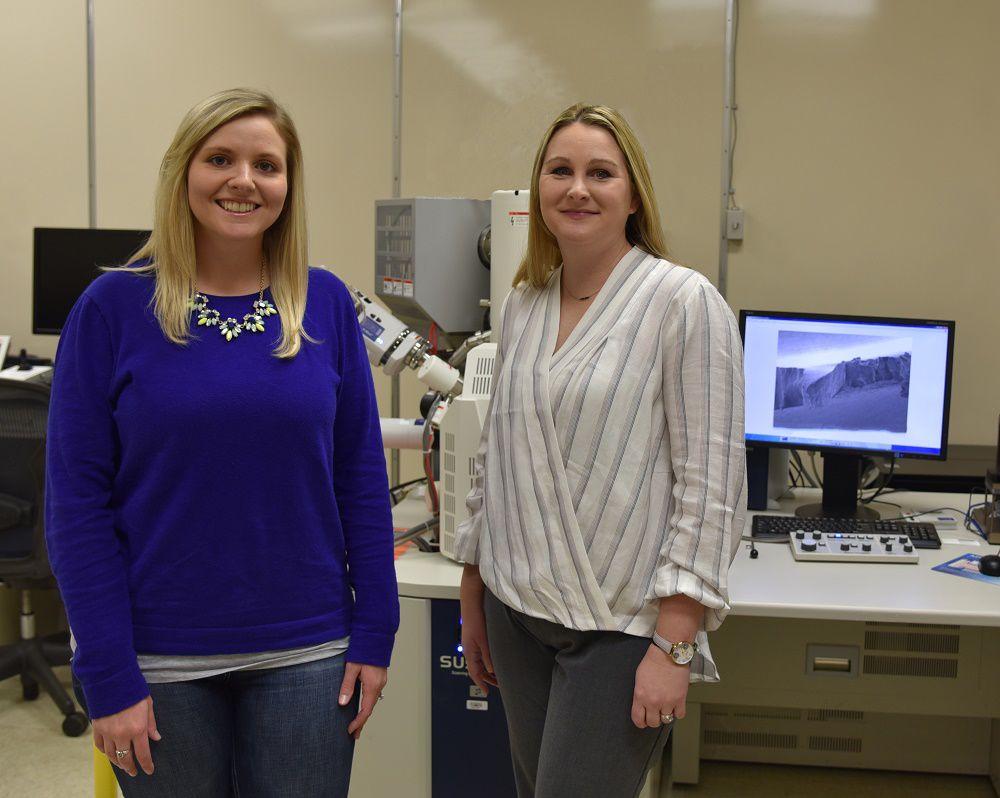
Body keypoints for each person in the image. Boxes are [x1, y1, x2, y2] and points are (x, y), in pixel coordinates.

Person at [45, 88, 399, 797]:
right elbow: (76, 506)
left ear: (288, 186)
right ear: (184, 173)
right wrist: (106, 671)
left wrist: (377, 627)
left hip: (308, 652)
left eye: (266, 164)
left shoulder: (323, 302)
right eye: (220, 158)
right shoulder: (112, 310)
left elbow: (359, 477)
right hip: (157, 656)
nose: (243, 180)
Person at [455, 103, 747, 797]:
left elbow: (711, 487)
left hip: (619, 626)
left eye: (600, 173)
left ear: (633, 193)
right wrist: (473, 589)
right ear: (539, 189)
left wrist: (675, 645)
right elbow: (497, 458)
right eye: (560, 171)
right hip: (515, 608)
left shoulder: (683, 303)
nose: (577, 188)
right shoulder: (525, 302)